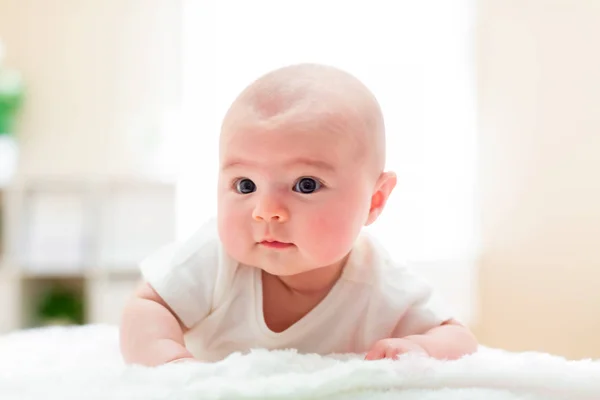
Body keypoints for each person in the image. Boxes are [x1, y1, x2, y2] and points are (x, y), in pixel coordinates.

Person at [120, 63, 478, 366]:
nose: (267, 212)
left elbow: (458, 338)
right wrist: (171, 364)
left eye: (305, 185)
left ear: (374, 200)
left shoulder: (380, 283)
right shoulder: (215, 259)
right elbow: (148, 306)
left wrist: (420, 348)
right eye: (245, 185)